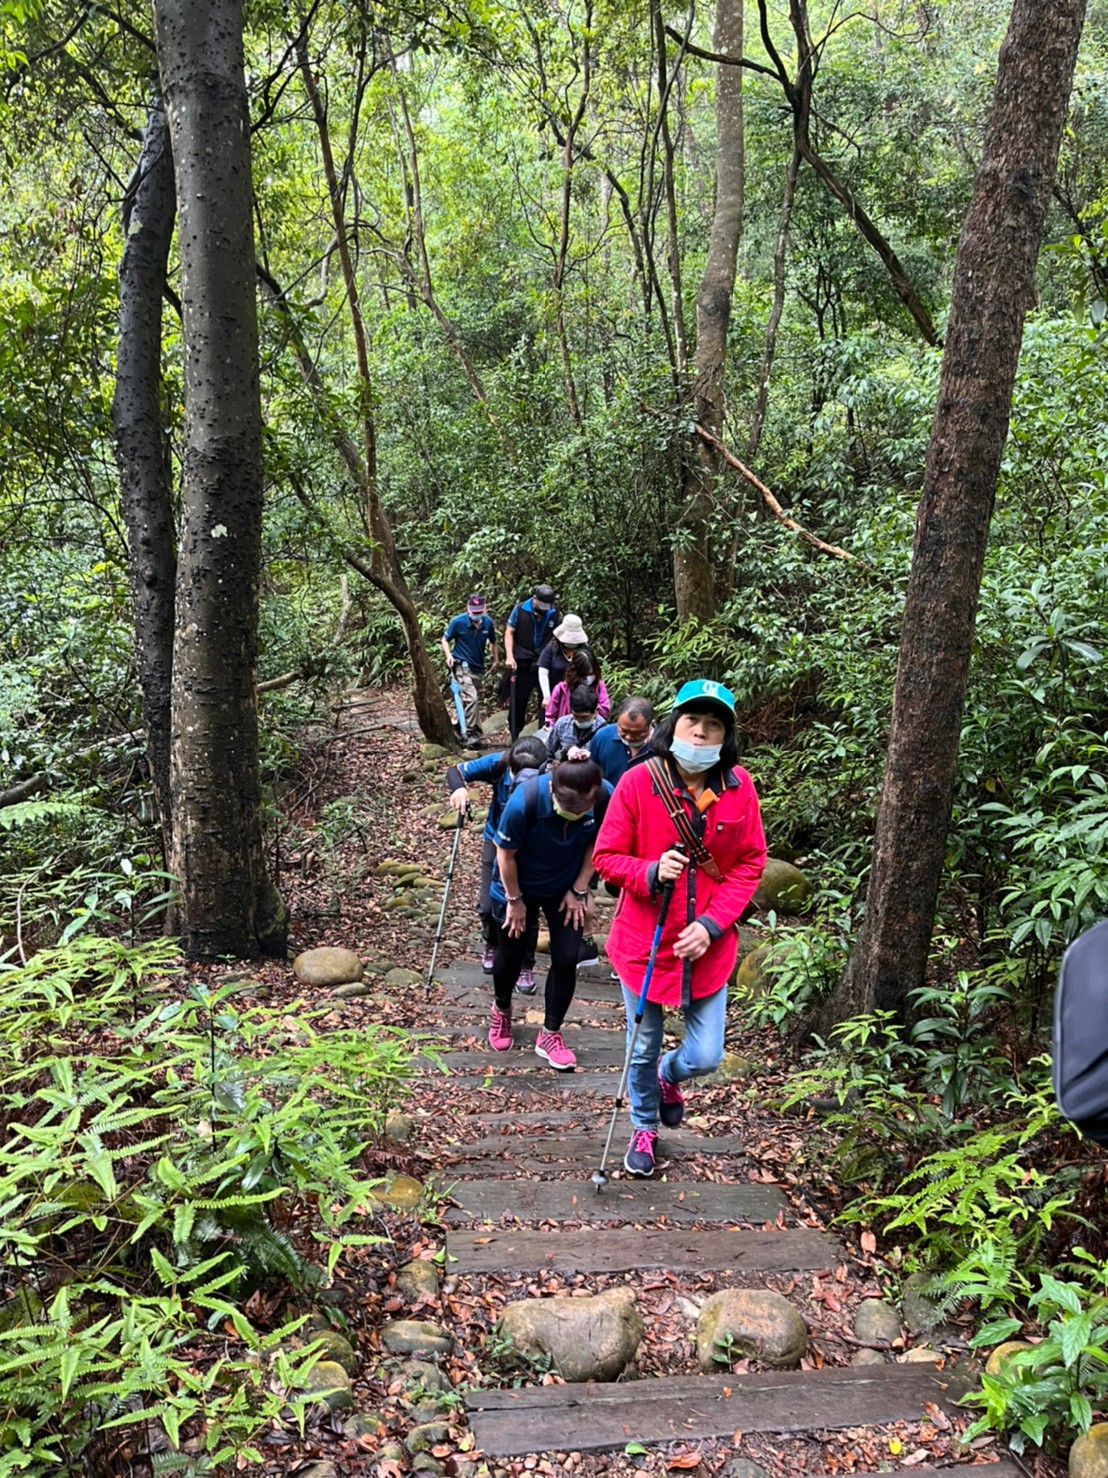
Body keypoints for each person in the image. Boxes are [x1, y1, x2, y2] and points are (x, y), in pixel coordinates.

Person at [592, 680, 766, 1178]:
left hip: (707, 949)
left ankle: (672, 1074)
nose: (701, 732)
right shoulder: (637, 781)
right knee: (642, 1045)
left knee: (707, 1054)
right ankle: (644, 1126)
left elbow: (750, 863)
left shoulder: (739, 789)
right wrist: (648, 872)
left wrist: (712, 925)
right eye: (693, 721)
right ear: (674, 725)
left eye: (713, 726)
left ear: (725, 737)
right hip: (644, 945)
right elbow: (606, 857)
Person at [490, 758, 613, 1069]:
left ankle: (551, 1032)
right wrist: (515, 901)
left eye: (581, 808)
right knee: (512, 952)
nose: (574, 813)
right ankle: (502, 1009)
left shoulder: (603, 796)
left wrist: (580, 890)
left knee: (567, 956)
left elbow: (597, 844)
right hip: (518, 883)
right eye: (567, 806)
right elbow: (505, 855)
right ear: (551, 788)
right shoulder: (525, 802)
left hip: (565, 885)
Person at [446, 736, 547, 993]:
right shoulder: (499, 763)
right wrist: (459, 788)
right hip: (497, 839)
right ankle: (492, 943)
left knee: (529, 907)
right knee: (489, 904)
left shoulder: (550, 773)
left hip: (533, 845)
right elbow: (455, 771)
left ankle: (526, 965)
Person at [504, 584, 558, 740]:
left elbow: (557, 636)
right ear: (534, 599)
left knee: (546, 699)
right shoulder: (520, 609)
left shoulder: (553, 613)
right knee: (519, 700)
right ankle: (515, 734)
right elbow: (509, 633)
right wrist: (509, 655)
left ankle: (545, 735)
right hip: (523, 661)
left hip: (544, 661)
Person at [442, 594, 497, 740]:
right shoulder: (458, 622)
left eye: (479, 612)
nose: (476, 615)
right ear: (468, 608)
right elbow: (445, 639)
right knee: (471, 699)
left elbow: (493, 641)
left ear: (485, 609)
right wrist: (449, 655)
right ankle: (473, 733)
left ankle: (457, 728)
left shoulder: (488, 623)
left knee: (465, 699)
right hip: (461, 666)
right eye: (474, 612)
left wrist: (495, 661)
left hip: (478, 667)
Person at [588, 696, 655, 787]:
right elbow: (591, 774)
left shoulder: (664, 744)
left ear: (650, 724)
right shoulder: (602, 737)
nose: (629, 737)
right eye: (623, 730)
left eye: (637, 733)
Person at [537, 614, 594, 705]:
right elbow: (543, 671)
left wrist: (587, 695)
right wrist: (547, 695)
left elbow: (591, 674)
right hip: (553, 697)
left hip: (578, 698)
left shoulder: (585, 649)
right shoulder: (552, 647)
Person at [544, 650, 611, 725]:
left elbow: (605, 712)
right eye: (585, 675)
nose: (589, 678)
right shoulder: (561, 689)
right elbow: (550, 717)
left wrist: (592, 707)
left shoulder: (599, 686)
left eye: (592, 674)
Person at [546, 682, 605, 763]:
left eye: (584, 717)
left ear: (595, 712)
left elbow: (606, 761)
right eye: (576, 716)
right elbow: (547, 751)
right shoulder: (562, 724)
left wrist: (591, 757)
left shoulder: (603, 730)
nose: (580, 720)